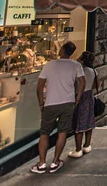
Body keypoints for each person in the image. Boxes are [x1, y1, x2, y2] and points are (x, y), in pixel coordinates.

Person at [32, 42, 85, 174]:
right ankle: (55, 161)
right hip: (68, 102)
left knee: (44, 133)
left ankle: (42, 163)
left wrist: (41, 102)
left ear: (61, 50)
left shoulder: (49, 65)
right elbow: (82, 82)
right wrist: (77, 98)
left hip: (51, 102)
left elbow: (39, 87)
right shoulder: (76, 65)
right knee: (62, 133)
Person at [69, 52, 99, 158]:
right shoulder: (94, 71)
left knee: (79, 123)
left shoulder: (79, 71)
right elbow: (97, 85)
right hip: (89, 96)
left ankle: (78, 149)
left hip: (79, 97)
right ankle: (87, 145)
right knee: (89, 122)